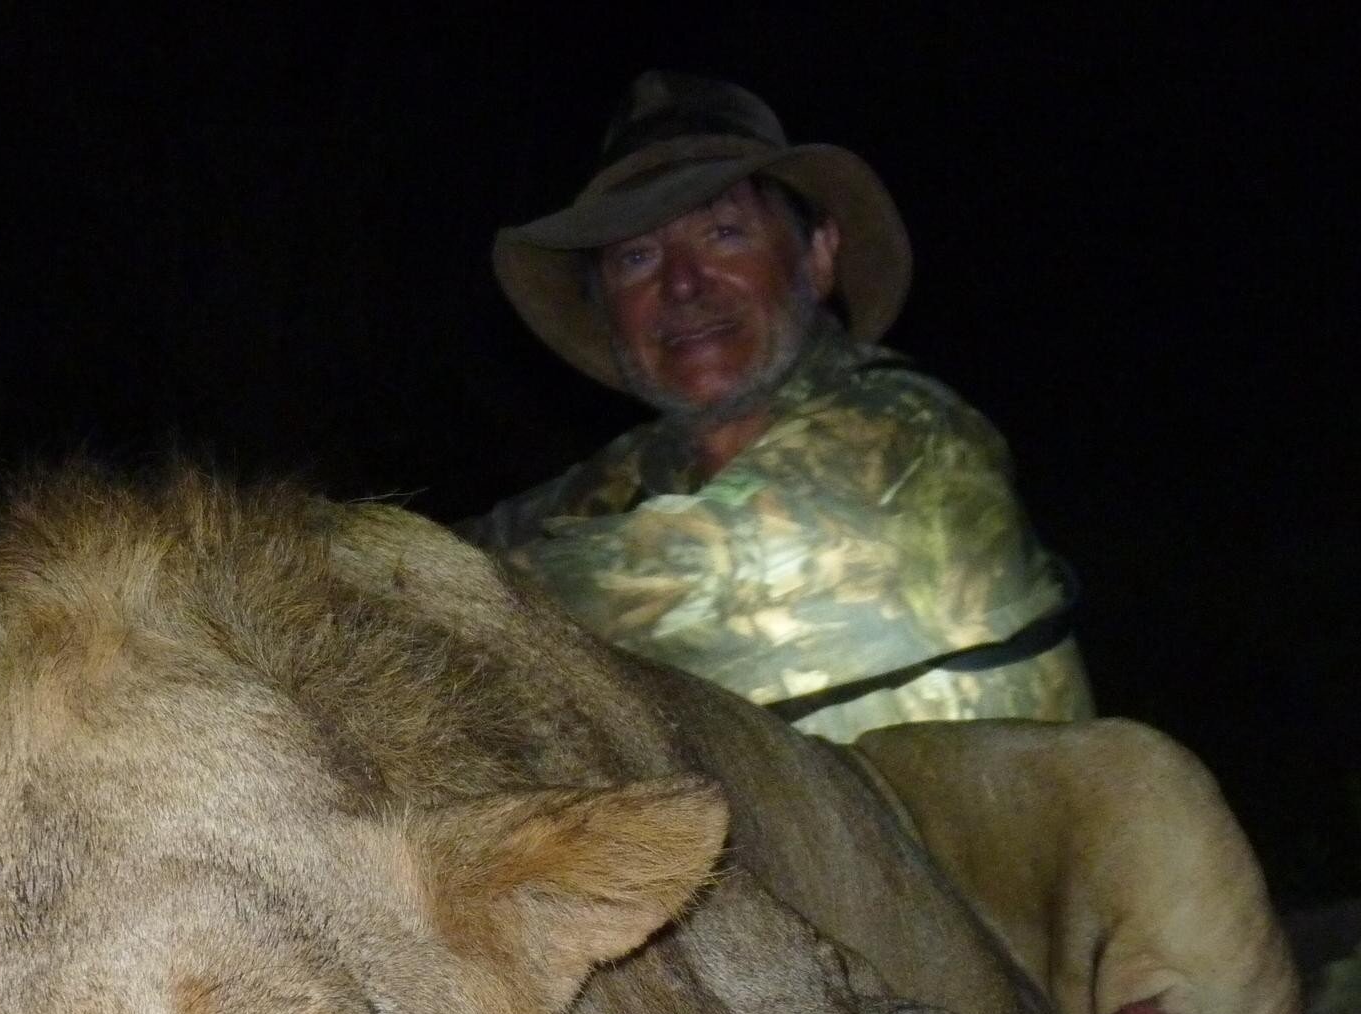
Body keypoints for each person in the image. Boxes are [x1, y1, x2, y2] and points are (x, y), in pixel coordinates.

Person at [462, 72, 1092, 741]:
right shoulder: (638, 472)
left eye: (725, 233)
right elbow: (452, 551)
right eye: (637, 257)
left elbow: (547, 612)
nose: (682, 283)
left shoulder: (916, 444)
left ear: (819, 256)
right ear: (607, 312)